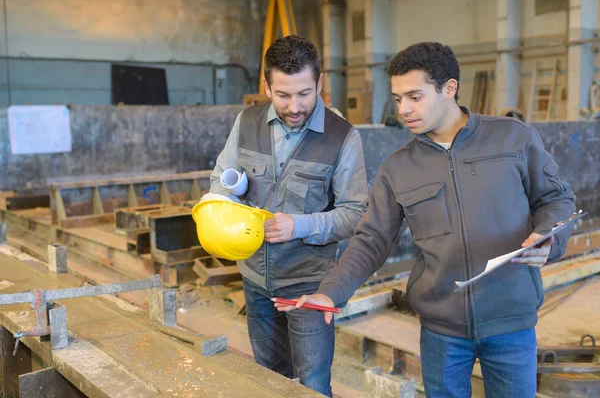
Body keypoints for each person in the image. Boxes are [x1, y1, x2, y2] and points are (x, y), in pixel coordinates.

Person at [275, 42, 576, 397]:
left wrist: (550, 239)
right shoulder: (398, 168)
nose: (404, 109)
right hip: (441, 331)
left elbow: (556, 199)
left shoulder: (512, 137)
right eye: (398, 98)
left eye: (415, 96)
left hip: (510, 323)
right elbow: (371, 240)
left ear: (449, 88)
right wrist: (331, 293)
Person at [208, 35, 368, 397]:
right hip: (255, 279)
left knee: (312, 384)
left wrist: (301, 225)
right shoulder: (246, 122)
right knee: (268, 378)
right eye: (282, 95)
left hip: (309, 285)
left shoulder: (343, 137)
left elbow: (356, 213)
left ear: (320, 83)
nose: (294, 106)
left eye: (304, 94)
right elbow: (220, 177)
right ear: (266, 85)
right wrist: (224, 198)